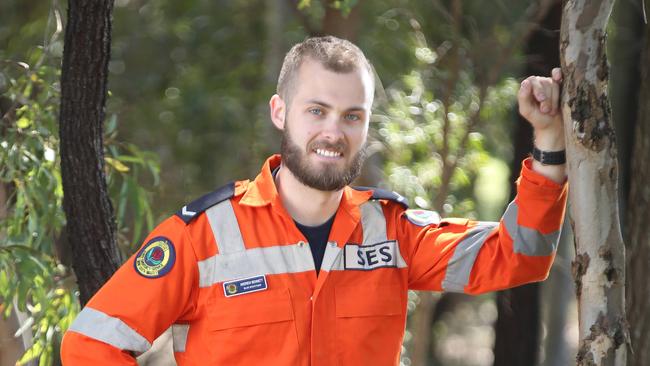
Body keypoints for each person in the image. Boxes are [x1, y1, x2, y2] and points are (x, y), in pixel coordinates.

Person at [60, 36, 568, 365]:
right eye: (317, 110)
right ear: (280, 112)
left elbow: (519, 256)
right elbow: (90, 345)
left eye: (352, 116)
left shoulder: (393, 232)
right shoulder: (202, 236)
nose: (333, 131)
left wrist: (548, 143)